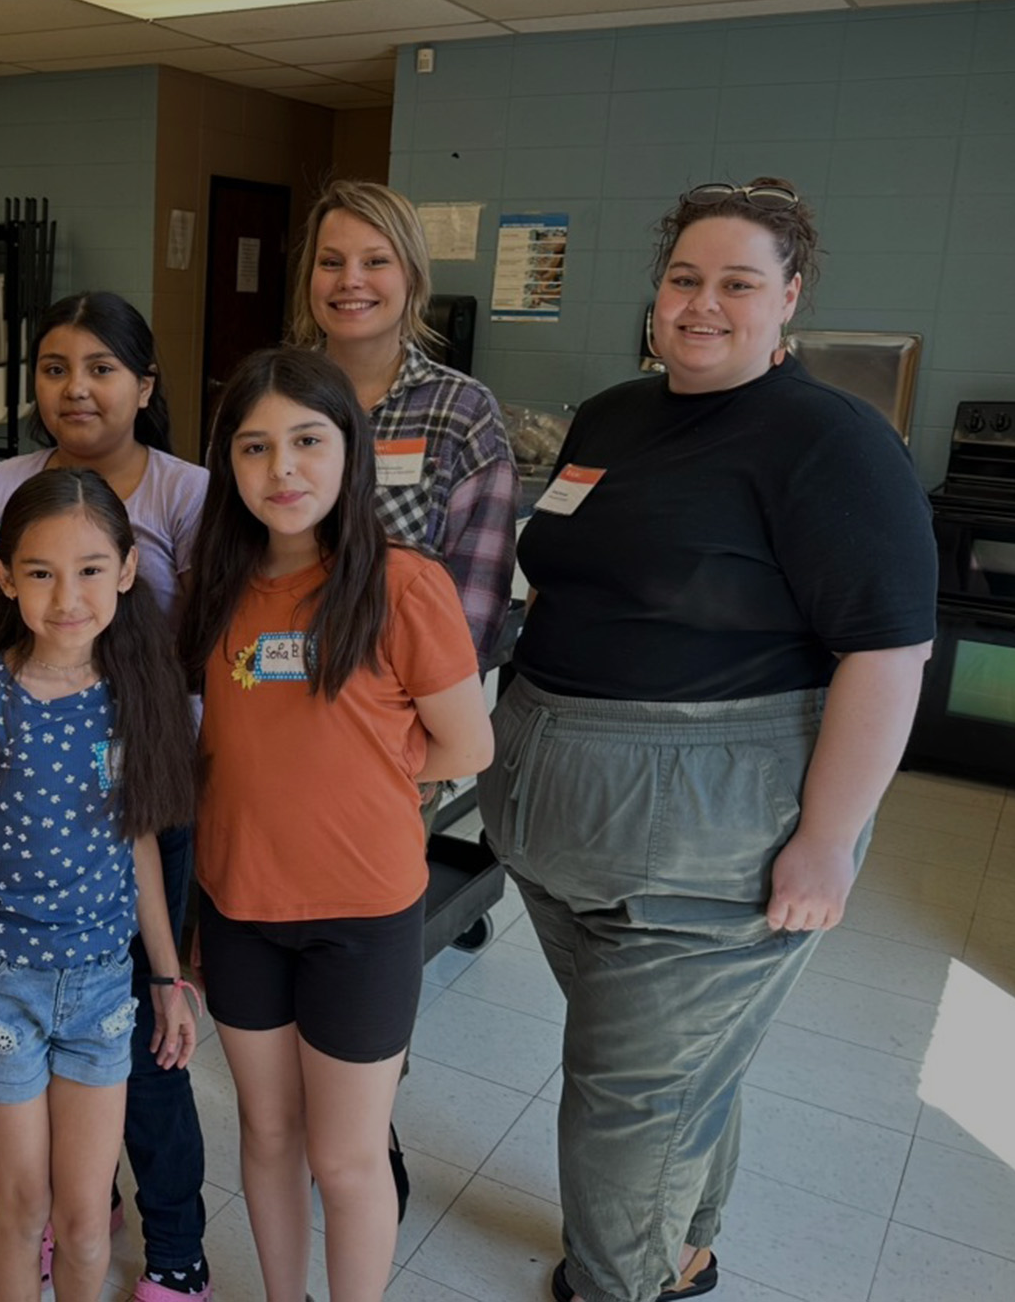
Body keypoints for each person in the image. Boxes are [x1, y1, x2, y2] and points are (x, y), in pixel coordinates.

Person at [480, 178, 936, 1302]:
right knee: (677, 1072)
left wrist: (826, 842)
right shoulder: (613, 416)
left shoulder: (829, 442)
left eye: (737, 282)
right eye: (683, 277)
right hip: (556, 822)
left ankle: (613, 1282)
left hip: (703, 847)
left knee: (620, 1098)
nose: (701, 302)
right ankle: (681, 1247)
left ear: (788, 298)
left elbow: (885, 652)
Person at [177, 348, 494, 1302]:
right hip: (239, 909)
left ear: (349, 452)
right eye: (256, 446)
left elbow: (464, 745)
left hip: (362, 917)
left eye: (309, 441)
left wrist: (368, 779)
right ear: (227, 465)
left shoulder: (404, 585)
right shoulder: (213, 586)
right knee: (267, 1134)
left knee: (348, 1158)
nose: (283, 469)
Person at [0, 292, 215, 1301]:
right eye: (54, 366)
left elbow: (140, 842)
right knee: (27, 1205)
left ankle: (173, 1246)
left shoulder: (134, 677)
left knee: (101, 1188)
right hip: (1, 978)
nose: (68, 595)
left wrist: (169, 975)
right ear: (10, 576)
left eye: (91, 571)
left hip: (104, 975)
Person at [288, 178, 517, 660]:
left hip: (400, 699)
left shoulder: (462, 412)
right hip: (274, 674)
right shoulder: (270, 400)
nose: (350, 280)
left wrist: (422, 706)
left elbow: (475, 600)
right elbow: (229, 554)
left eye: (375, 261)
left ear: (412, 276)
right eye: (331, 262)